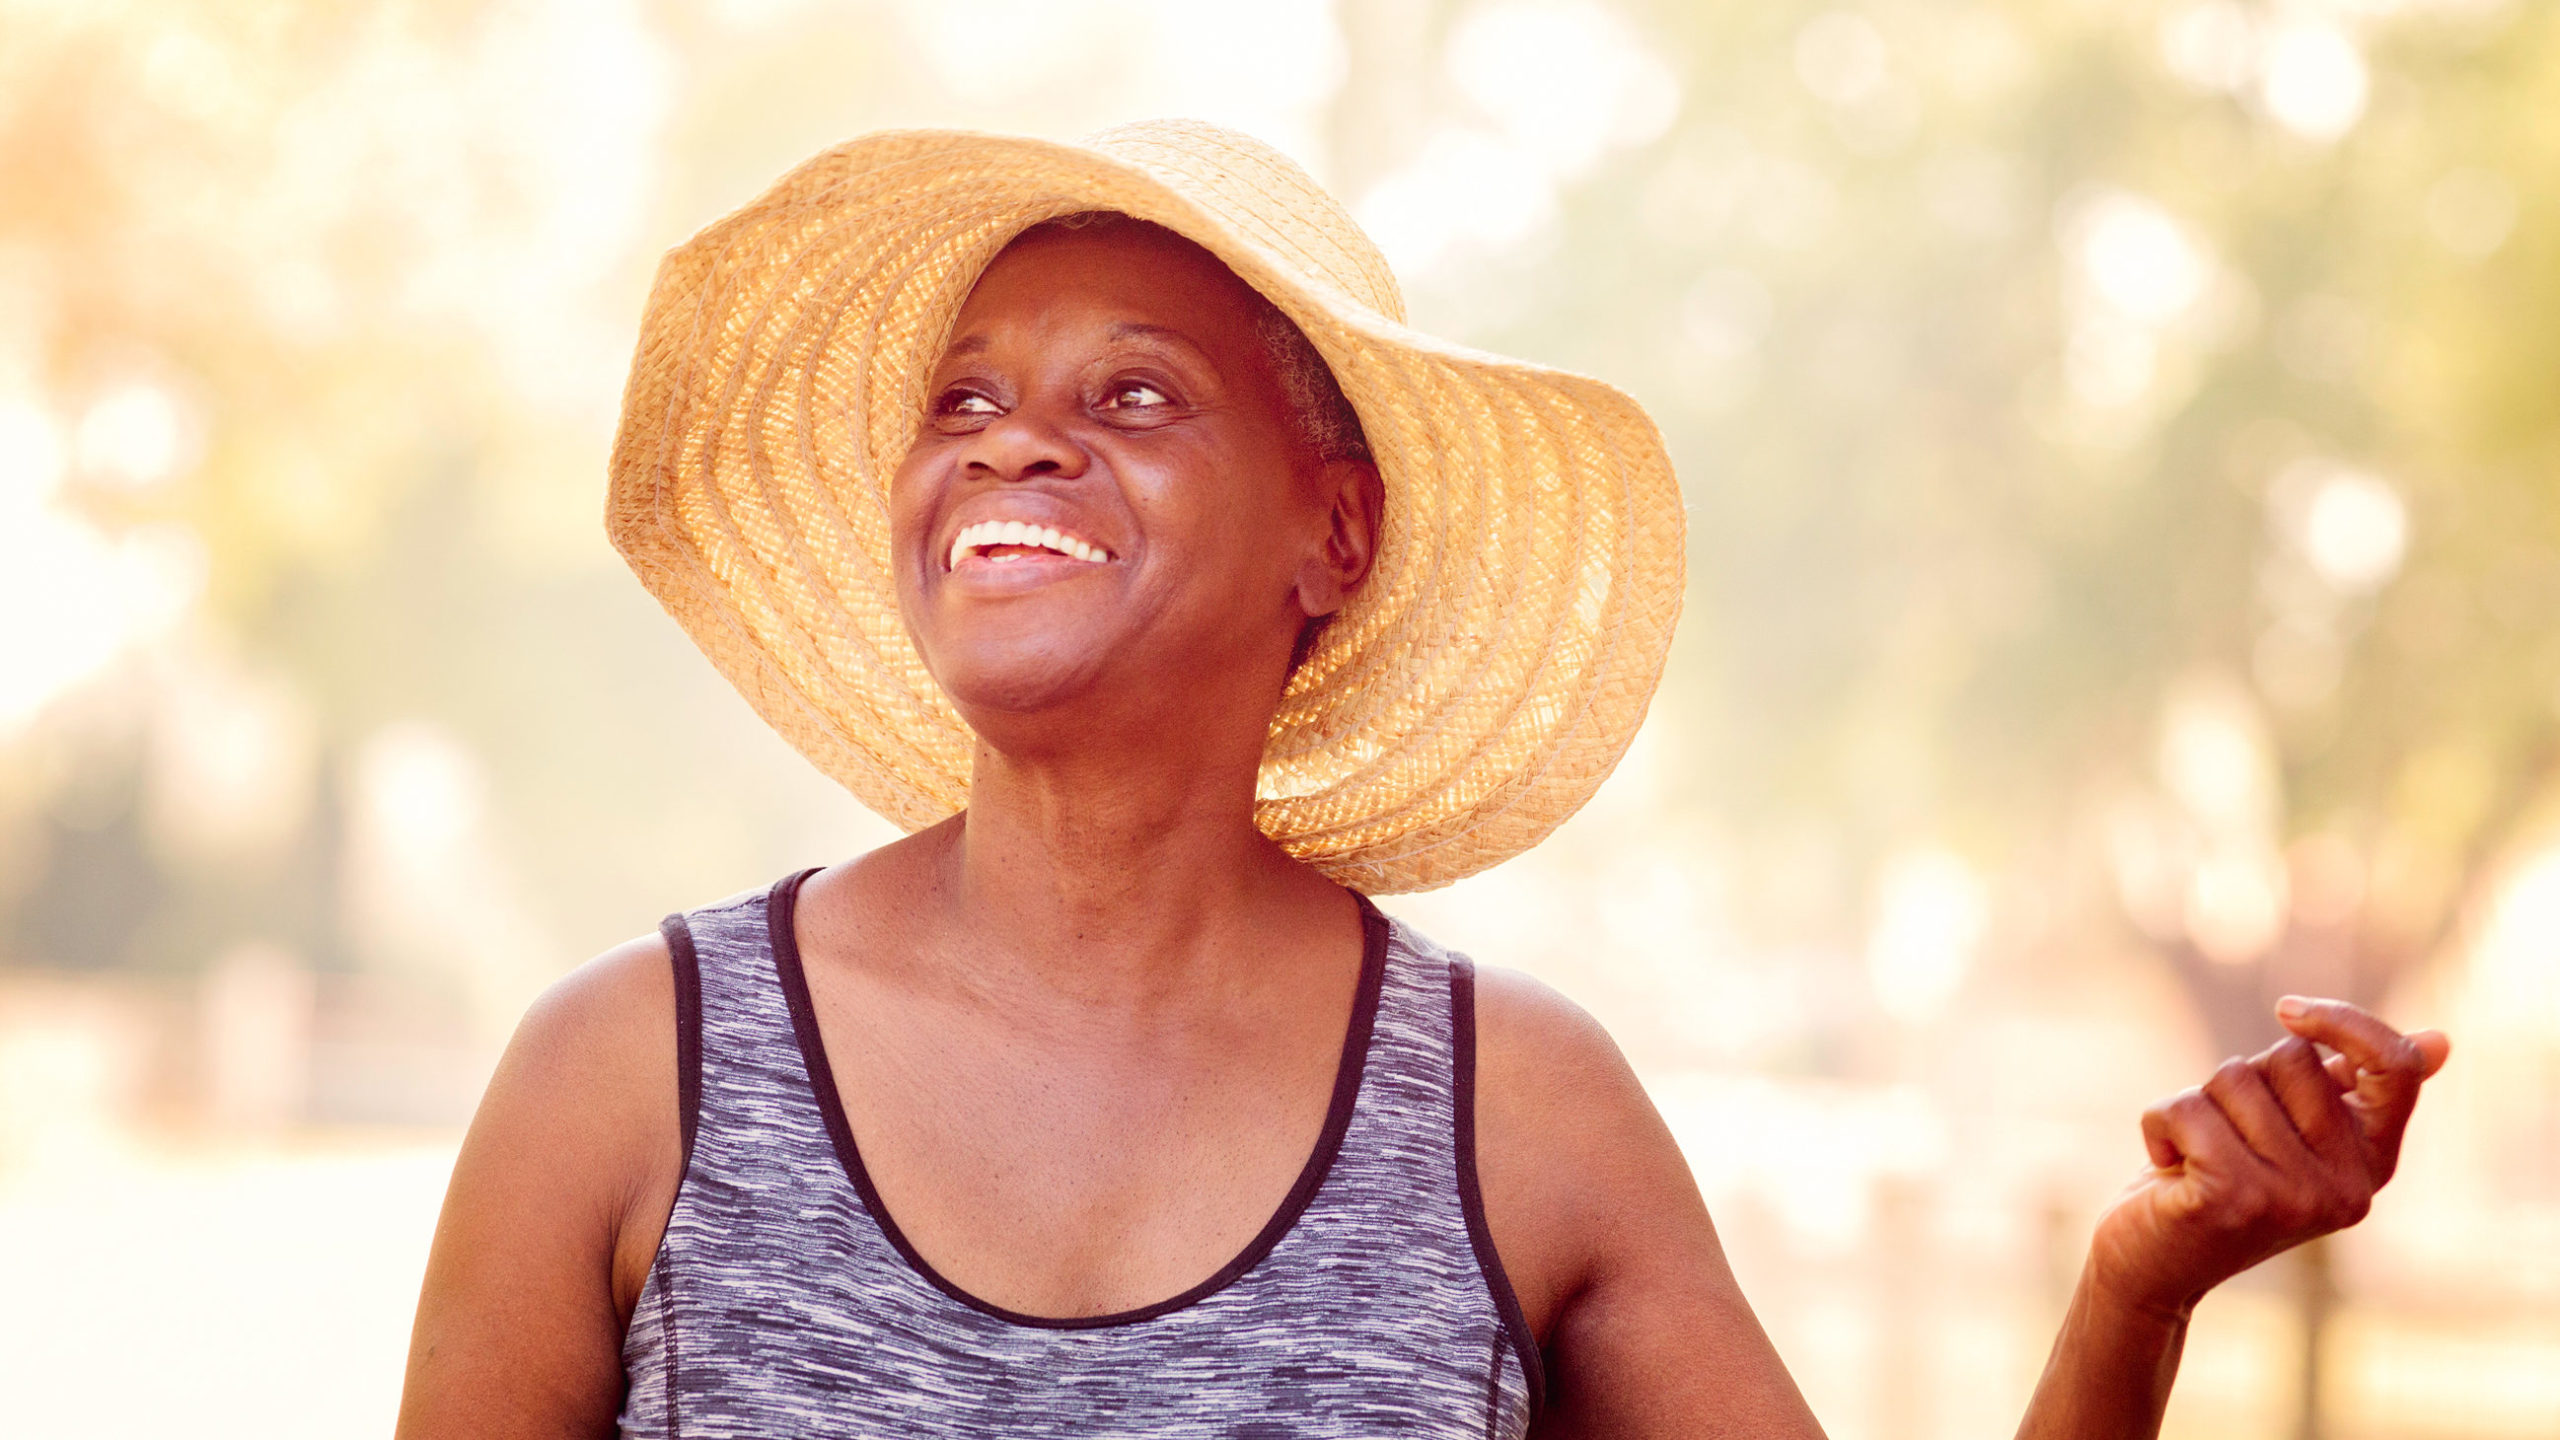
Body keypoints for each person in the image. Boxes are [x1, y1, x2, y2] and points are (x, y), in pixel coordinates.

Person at [395, 121, 2450, 1439]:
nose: (1011, 446)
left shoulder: (1514, 1111)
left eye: (1133, 393)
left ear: (1331, 538)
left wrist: (2132, 1290)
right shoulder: (629, 1075)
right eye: (965, 397)